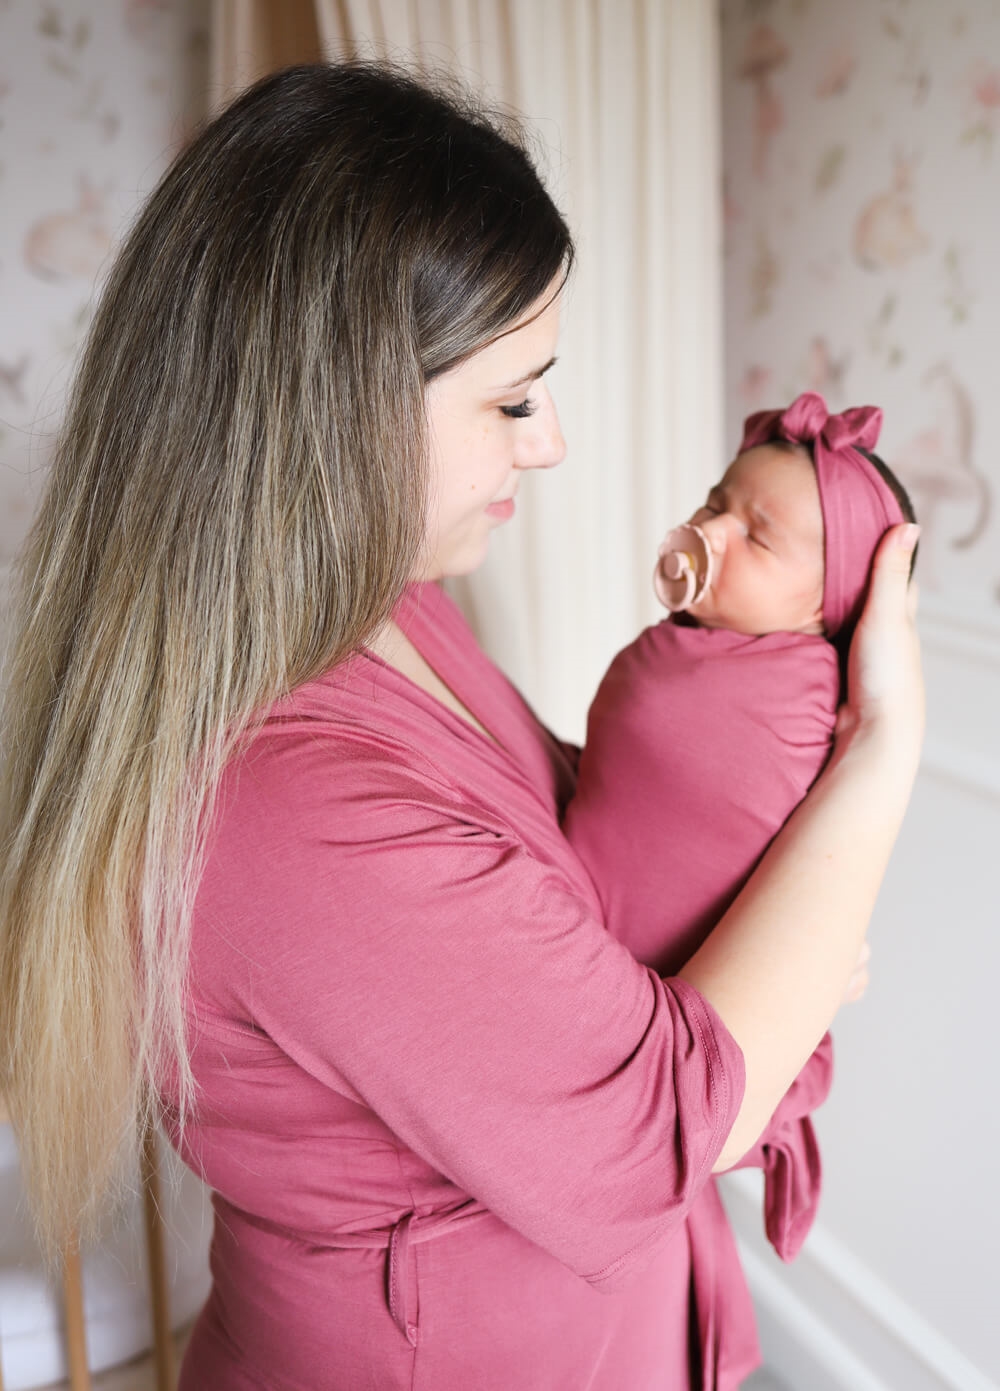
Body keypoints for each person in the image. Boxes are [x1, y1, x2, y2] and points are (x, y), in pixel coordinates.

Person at [0, 63, 923, 1391]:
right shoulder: (282, 808)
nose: (548, 443)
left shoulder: (388, 609)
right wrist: (883, 748)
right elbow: (658, 1124)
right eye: (510, 398)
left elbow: (563, 883)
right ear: (340, 409)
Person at [564, 390, 916, 1264]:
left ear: (826, 604)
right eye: (714, 504)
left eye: (756, 536)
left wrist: (823, 954)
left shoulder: (801, 693)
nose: (711, 532)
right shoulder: (685, 644)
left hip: (680, 1009)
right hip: (590, 953)